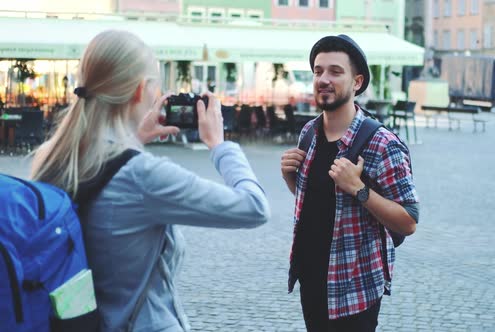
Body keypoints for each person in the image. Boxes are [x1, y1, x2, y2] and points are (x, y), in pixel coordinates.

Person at [30, 30, 270, 332]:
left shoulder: (56, 157)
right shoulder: (143, 175)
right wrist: (219, 145)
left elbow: (108, 174)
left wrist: (135, 137)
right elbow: (254, 207)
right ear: (140, 91)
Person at [280, 34, 419, 332]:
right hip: (312, 279)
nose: (323, 79)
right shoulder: (309, 133)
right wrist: (292, 179)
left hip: (354, 287)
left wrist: (359, 189)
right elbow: (319, 202)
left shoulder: (382, 144)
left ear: (357, 82)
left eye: (335, 71)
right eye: (318, 71)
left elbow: (408, 221)